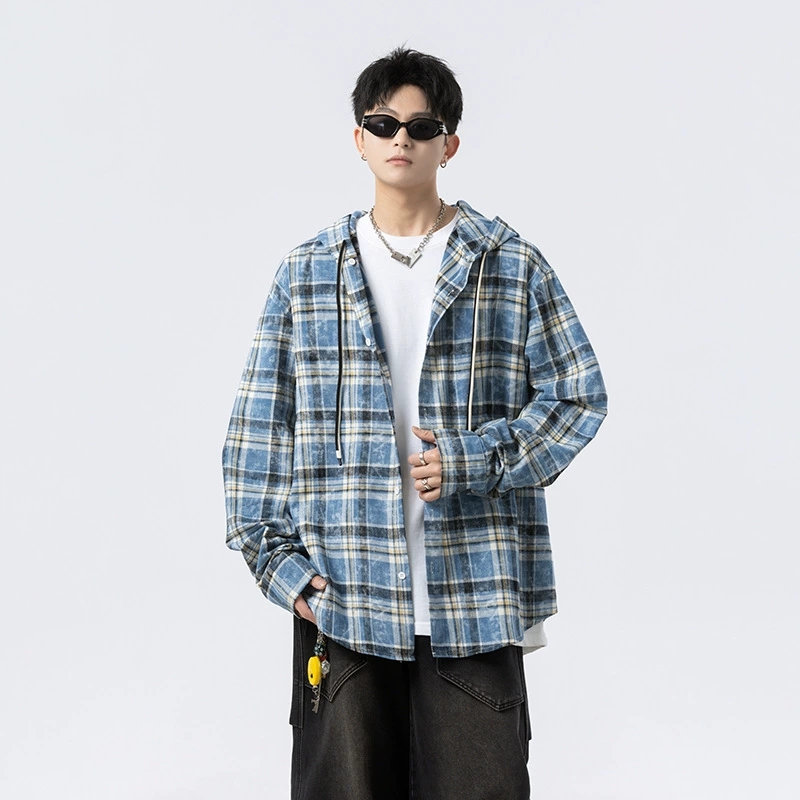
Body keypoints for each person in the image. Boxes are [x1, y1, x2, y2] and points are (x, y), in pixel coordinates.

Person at [223, 47, 607, 800]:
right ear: (359, 138)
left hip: (474, 595)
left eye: (421, 126)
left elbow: (577, 396)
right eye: (382, 124)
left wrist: (473, 459)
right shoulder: (309, 271)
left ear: (448, 144)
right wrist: (279, 567)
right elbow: (259, 426)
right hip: (345, 595)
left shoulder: (508, 263)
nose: (401, 138)